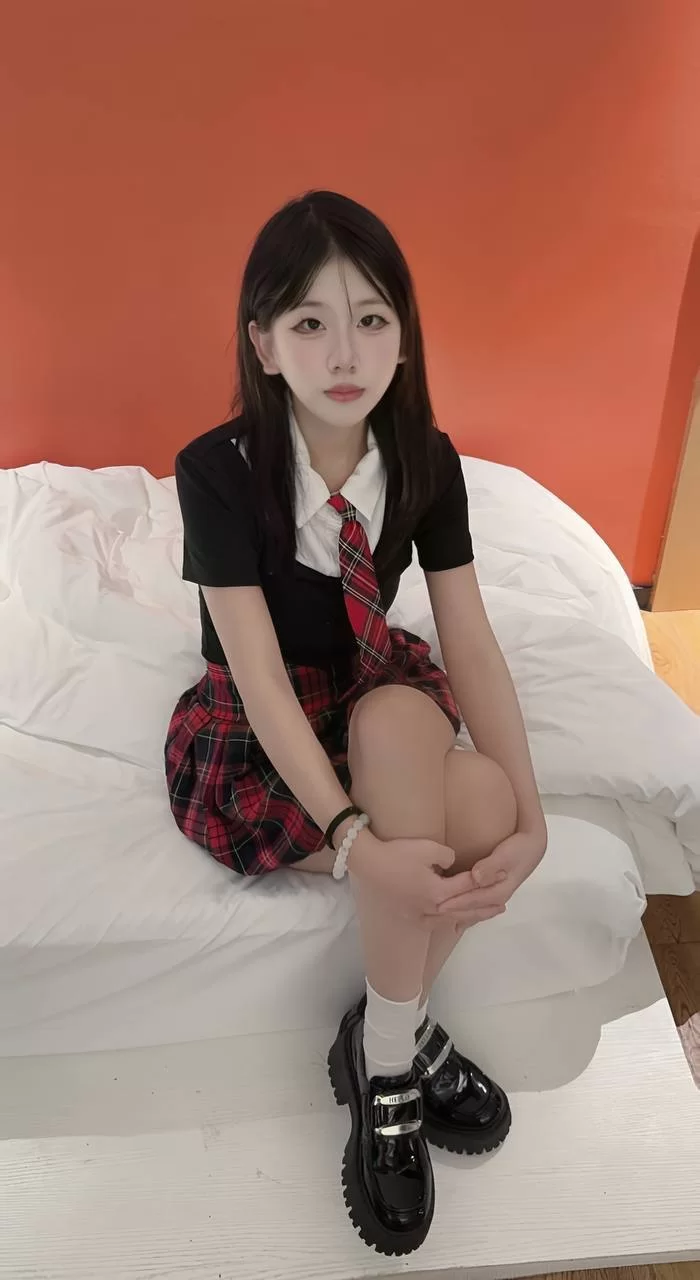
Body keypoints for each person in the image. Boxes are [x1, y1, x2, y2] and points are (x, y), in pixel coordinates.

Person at [165, 190, 547, 1257]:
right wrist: (353, 844)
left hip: (372, 686)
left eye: (372, 319)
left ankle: (378, 1033)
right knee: (439, 790)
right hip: (267, 724)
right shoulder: (217, 471)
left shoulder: (424, 456)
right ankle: (393, 1059)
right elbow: (256, 676)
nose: (345, 353)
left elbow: (469, 641)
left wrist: (536, 821)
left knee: (487, 799)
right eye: (310, 322)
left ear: (404, 336)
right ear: (263, 344)